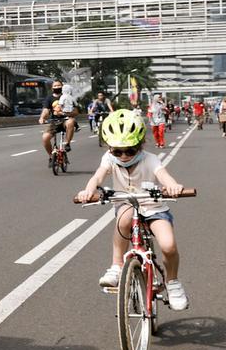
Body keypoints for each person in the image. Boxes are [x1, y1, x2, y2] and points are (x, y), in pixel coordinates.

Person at [77, 109, 190, 311]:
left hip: (154, 207)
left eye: (130, 150)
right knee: (124, 218)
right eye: (117, 151)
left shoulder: (150, 159)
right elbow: (98, 177)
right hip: (126, 203)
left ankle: (173, 284)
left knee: (168, 245)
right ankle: (116, 266)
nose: (124, 155)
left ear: (141, 144)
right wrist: (88, 190)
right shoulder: (109, 159)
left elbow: (164, 176)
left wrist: (173, 186)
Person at [39, 80, 77, 156]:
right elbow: (46, 110)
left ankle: (67, 144)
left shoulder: (68, 97)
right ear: (52, 88)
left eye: (59, 85)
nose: (57, 87)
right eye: (55, 86)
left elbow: (76, 111)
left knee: (70, 122)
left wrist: (66, 113)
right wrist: (42, 118)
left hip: (66, 120)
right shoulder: (49, 98)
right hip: (54, 122)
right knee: (45, 138)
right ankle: (51, 156)